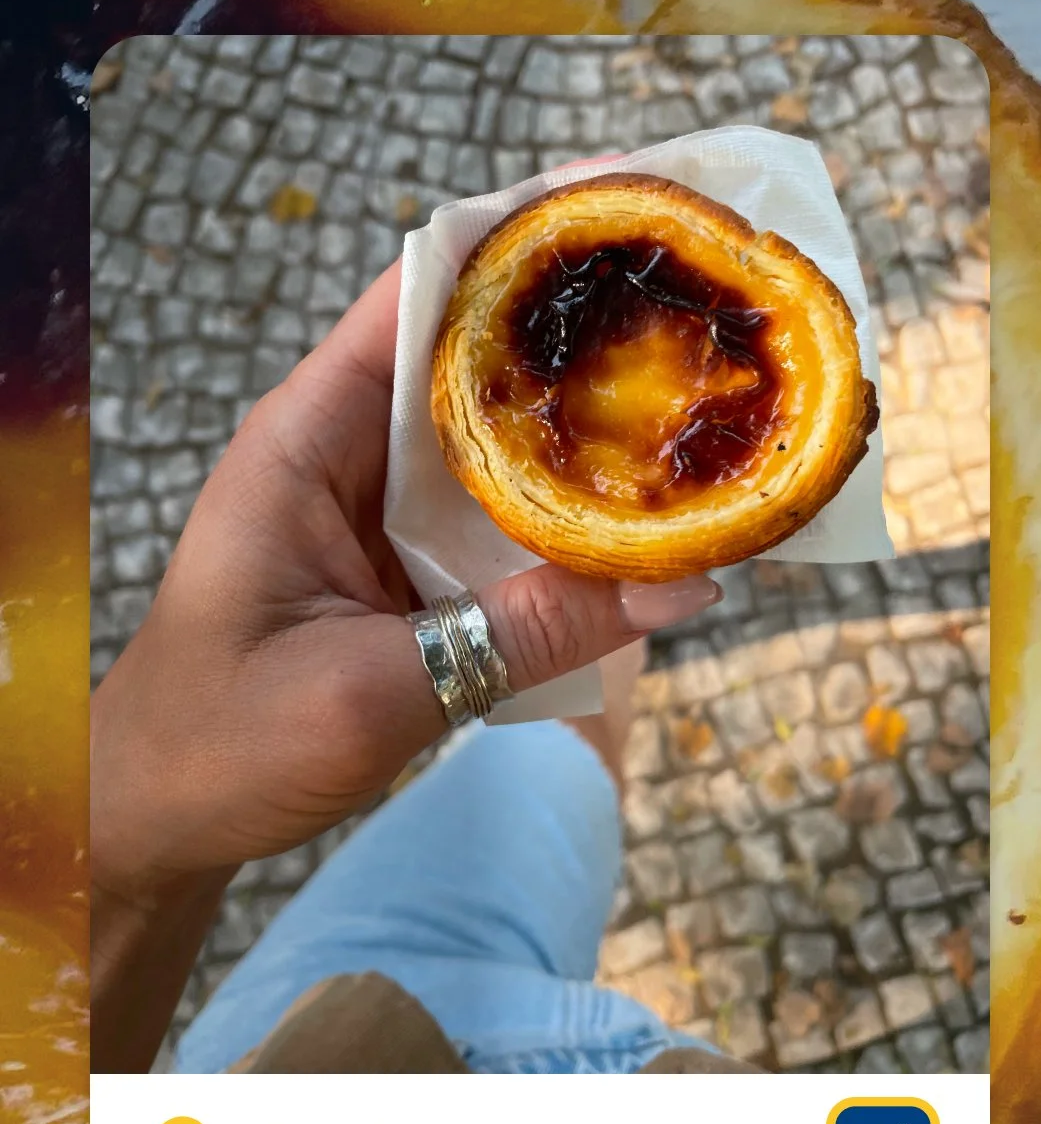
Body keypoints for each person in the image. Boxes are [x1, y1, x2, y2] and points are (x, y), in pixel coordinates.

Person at [90, 256, 744, 1077]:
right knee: (566, 752)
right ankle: (620, 596)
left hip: (301, 1047)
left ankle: (615, 600)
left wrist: (124, 850)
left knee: (556, 750)